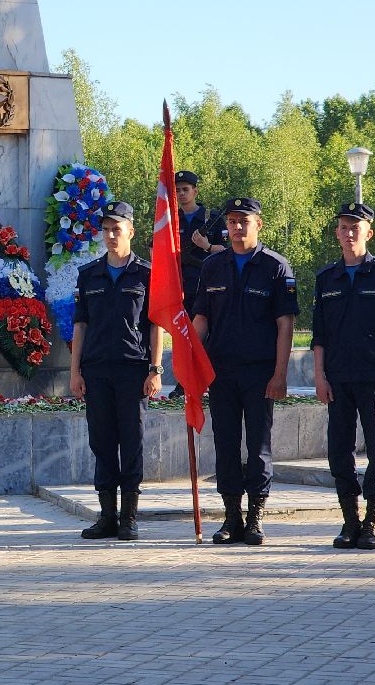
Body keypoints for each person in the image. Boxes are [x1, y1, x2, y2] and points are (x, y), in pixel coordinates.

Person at [191, 197, 299, 546]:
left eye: (244, 222)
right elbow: (201, 320)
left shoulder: (275, 267)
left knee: (258, 445)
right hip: (221, 372)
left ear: (258, 225)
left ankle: (255, 516)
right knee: (225, 444)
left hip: (260, 373)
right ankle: (231, 517)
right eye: (233, 222)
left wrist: (280, 374)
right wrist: (190, 364)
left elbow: (285, 326)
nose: (237, 228)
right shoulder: (213, 266)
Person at [311, 202, 375, 551]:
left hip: (374, 377)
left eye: (356, 227)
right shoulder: (327, 278)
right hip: (337, 377)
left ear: (368, 232)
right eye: (344, 227)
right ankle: (349, 521)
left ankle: (372, 521)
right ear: (337, 232)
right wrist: (320, 377)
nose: (349, 233)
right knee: (339, 451)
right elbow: (319, 335)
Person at [69, 201, 164, 541]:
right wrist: (75, 372)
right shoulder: (89, 274)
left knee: (132, 443)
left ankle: (129, 518)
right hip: (96, 370)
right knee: (102, 443)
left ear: (131, 232)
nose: (110, 235)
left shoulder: (147, 274)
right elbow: (80, 326)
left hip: (133, 371)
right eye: (106, 229)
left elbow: (155, 325)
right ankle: (107, 516)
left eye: (117, 229)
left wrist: (155, 369)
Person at [170, 171, 224, 397]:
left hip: (208, 285)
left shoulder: (212, 218)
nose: (182, 194)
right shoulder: (172, 220)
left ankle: (209, 379)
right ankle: (184, 382)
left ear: (195, 191)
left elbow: (226, 252)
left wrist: (206, 246)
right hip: (181, 286)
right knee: (184, 335)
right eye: (178, 190)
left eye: (186, 189)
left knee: (208, 335)